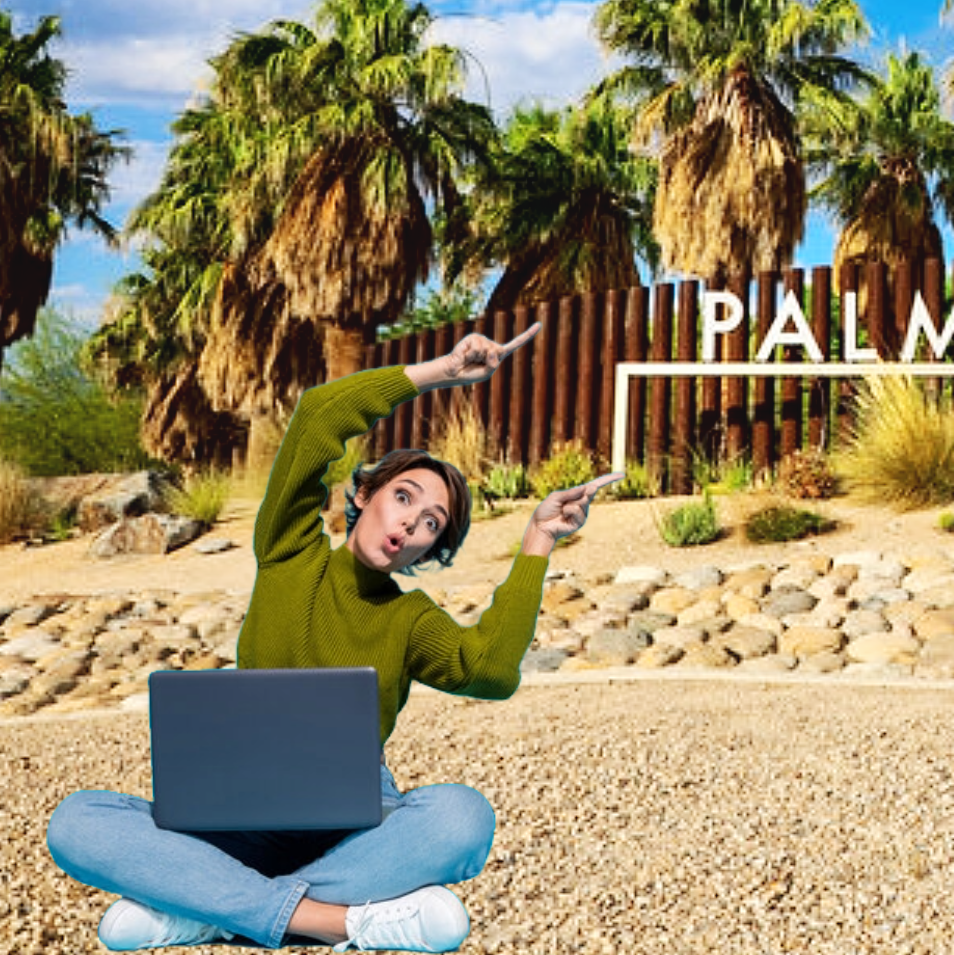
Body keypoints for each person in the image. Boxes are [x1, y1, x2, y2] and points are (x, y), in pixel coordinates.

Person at [46, 324, 619, 952]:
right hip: (234, 812)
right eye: (404, 497)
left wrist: (539, 538)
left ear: (432, 547)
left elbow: (492, 671)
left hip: (352, 828)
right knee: (78, 821)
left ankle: (209, 909)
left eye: (432, 523)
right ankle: (329, 921)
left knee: (464, 819)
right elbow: (320, 414)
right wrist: (439, 372)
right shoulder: (289, 552)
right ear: (365, 493)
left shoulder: (410, 621)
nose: (411, 522)